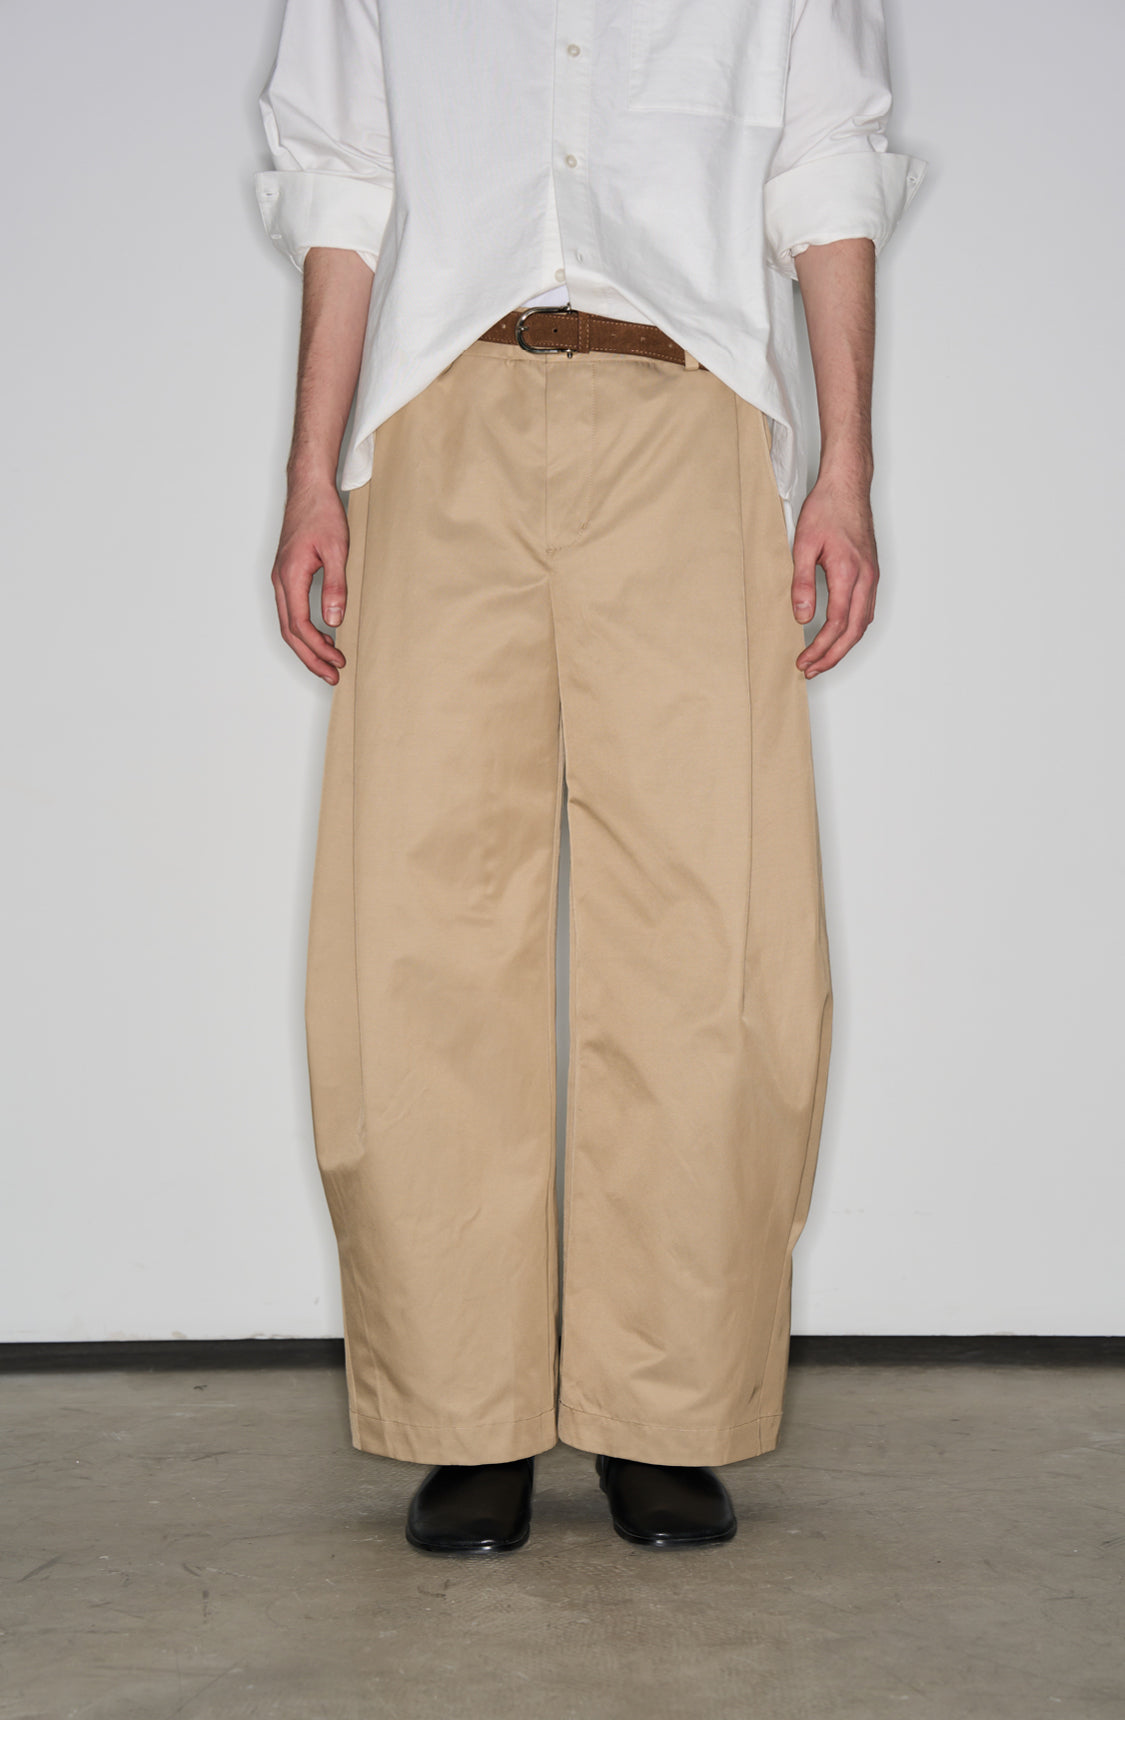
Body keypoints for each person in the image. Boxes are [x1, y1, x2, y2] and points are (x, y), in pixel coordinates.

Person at [253, 0, 924, 1555]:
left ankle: (663, 1409)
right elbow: (343, 183)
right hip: (436, 415)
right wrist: (308, 473)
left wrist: (845, 467)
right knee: (421, 922)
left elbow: (825, 164)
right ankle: (462, 1413)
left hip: (690, 411)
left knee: (708, 922)